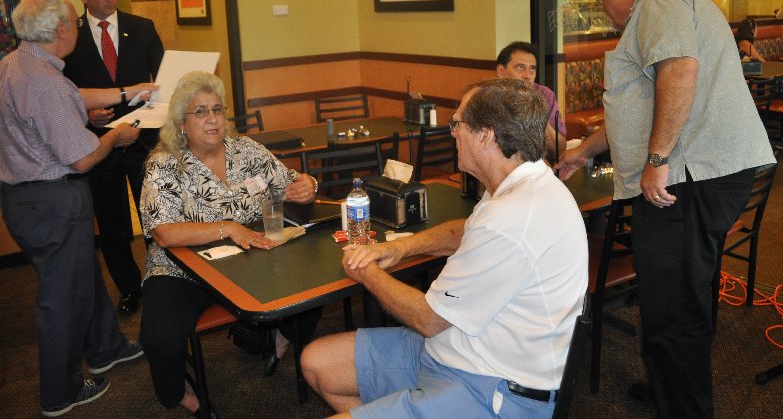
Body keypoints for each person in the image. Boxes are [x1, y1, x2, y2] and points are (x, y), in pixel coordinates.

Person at [555, 0, 775, 417]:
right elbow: (636, 108)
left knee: (672, 306)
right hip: (699, 172)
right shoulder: (667, 3)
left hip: (687, 176)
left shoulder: (657, 1)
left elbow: (680, 71)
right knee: (675, 296)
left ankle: (683, 407)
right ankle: (669, 386)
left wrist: (657, 159)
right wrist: (583, 152)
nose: (601, 6)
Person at [301, 79, 588, 418]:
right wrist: (402, 248)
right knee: (317, 363)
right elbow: (464, 231)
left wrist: (366, 271)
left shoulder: (514, 215)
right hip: (456, 347)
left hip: (494, 386)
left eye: (457, 123)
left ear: (486, 135)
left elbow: (428, 319)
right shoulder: (520, 182)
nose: (452, 132)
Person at [0, 0, 152, 417]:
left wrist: (122, 94)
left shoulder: (16, 64)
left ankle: (106, 347)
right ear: (60, 29)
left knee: (82, 276)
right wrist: (115, 136)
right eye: (74, 21)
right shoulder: (44, 82)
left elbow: (67, 99)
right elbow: (82, 158)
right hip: (53, 200)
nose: (78, 28)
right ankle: (60, 393)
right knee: (63, 298)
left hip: (24, 198)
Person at [138, 71, 321, 415]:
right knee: (160, 336)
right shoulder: (164, 165)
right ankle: (179, 394)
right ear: (181, 124)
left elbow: (292, 183)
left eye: (217, 110)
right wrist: (227, 228)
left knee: (314, 283)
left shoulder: (247, 150)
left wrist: (308, 185)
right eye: (200, 111)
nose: (212, 119)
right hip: (184, 271)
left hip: (254, 259)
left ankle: (280, 338)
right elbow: (163, 232)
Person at [64, 0, 165, 316]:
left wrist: (143, 118)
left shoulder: (142, 28)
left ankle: (164, 280)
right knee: (113, 223)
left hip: (143, 141)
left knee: (155, 215)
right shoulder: (71, 37)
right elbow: (66, 94)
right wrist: (87, 115)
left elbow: (163, 86)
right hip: (97, 146)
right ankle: (129, 287)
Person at [496, 41, 567, 158]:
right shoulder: (488, 96)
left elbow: (559, 150)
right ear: (501, 71)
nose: (527, 75)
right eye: (520, 67)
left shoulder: (544, 95)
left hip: (536, 164)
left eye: (532, 69)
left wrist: (540, 117)